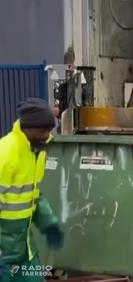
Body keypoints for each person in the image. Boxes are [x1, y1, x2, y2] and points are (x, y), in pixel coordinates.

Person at [0, 98, 64, 282]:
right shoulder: (5, 153)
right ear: (27, 127)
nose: (47, 135)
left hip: (23, 247)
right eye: (43, 130)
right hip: (4, 252)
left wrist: (48, 222)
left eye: (49, 131)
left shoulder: (36, 152)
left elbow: (33, 195)